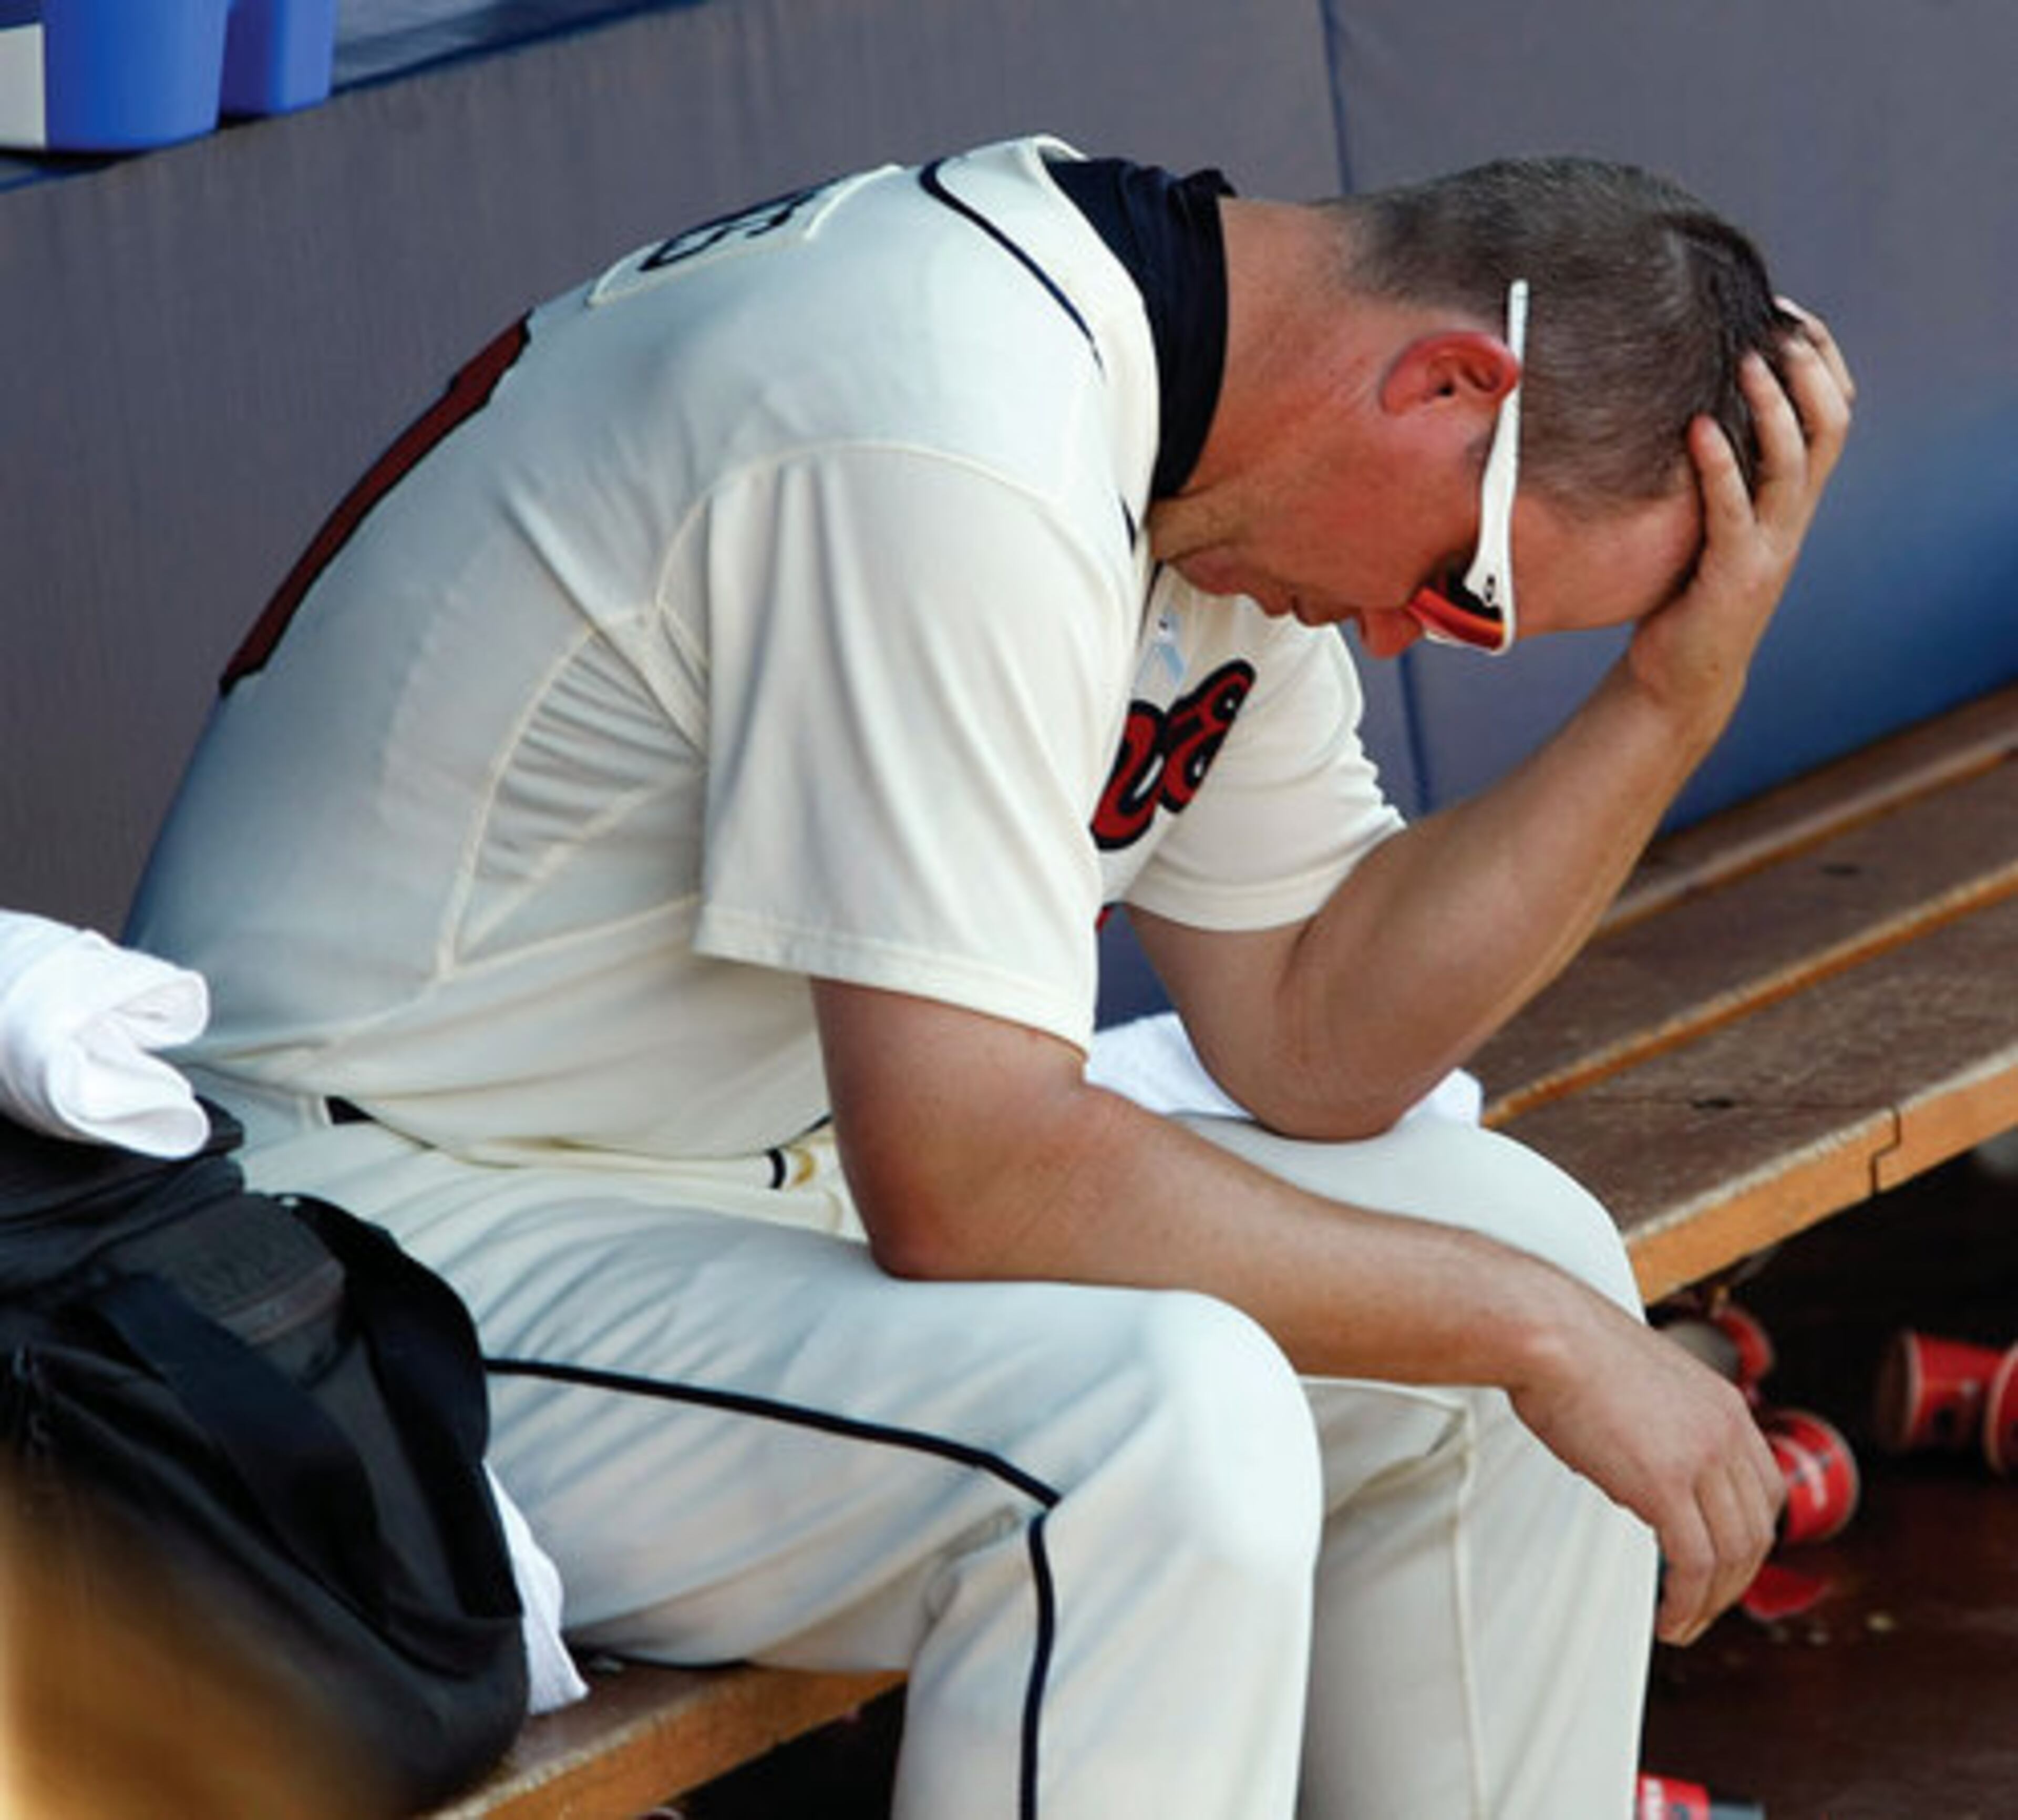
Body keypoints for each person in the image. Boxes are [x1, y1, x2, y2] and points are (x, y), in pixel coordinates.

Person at [125, 135, 1854, 1817]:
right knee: (1157, 1435)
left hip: (707, 1199)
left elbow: (1320, 1044)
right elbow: (966, 1177)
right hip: (352, 1263)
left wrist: (1667, 702)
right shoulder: (950, 412)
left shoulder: (1202, 436)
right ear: (1443, 387)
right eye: (1467, 591)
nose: (1411, 634)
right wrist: (1541, 1340)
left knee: (1520, 1242)